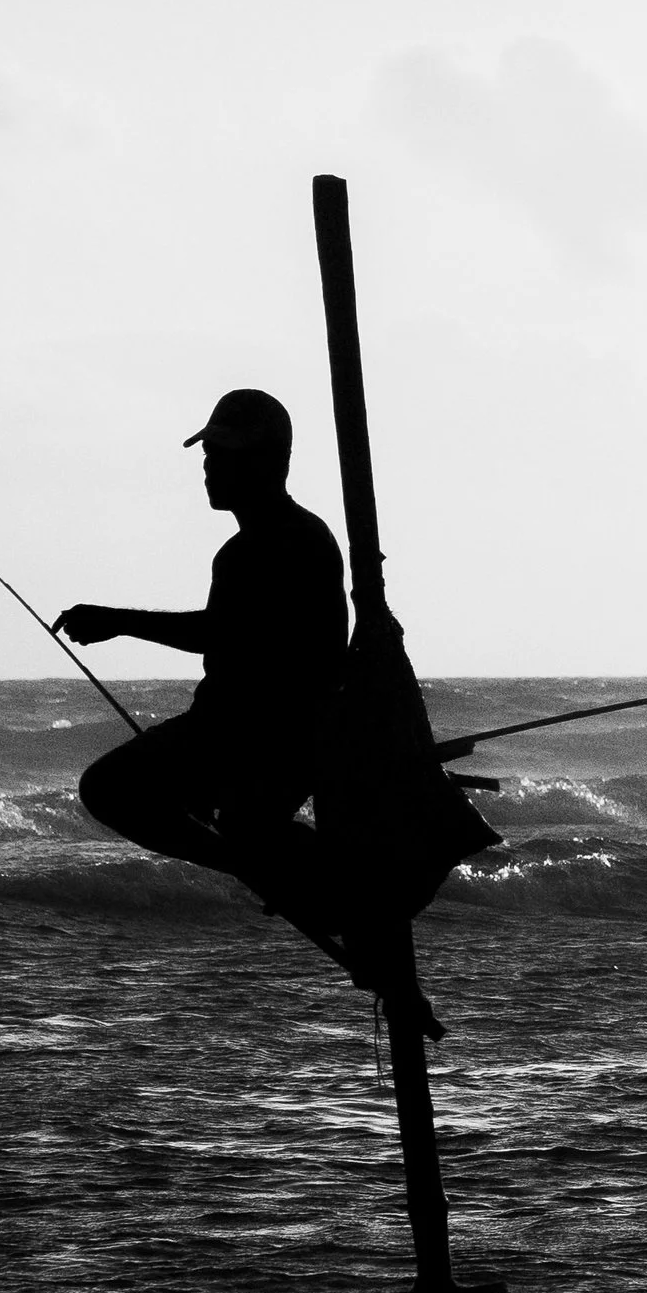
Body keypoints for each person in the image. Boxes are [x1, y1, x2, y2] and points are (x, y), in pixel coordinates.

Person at [57, 387, 383, 989]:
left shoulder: (277, 543)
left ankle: (266, 869)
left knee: (108, 788)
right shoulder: (279, 541)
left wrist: (118, 621)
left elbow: (220, 635)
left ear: (269, 462)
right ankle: (286, 871)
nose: (210, 467)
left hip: (254, 737)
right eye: (209, 454)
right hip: (257, 736)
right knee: (243, 823)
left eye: (225, 455)